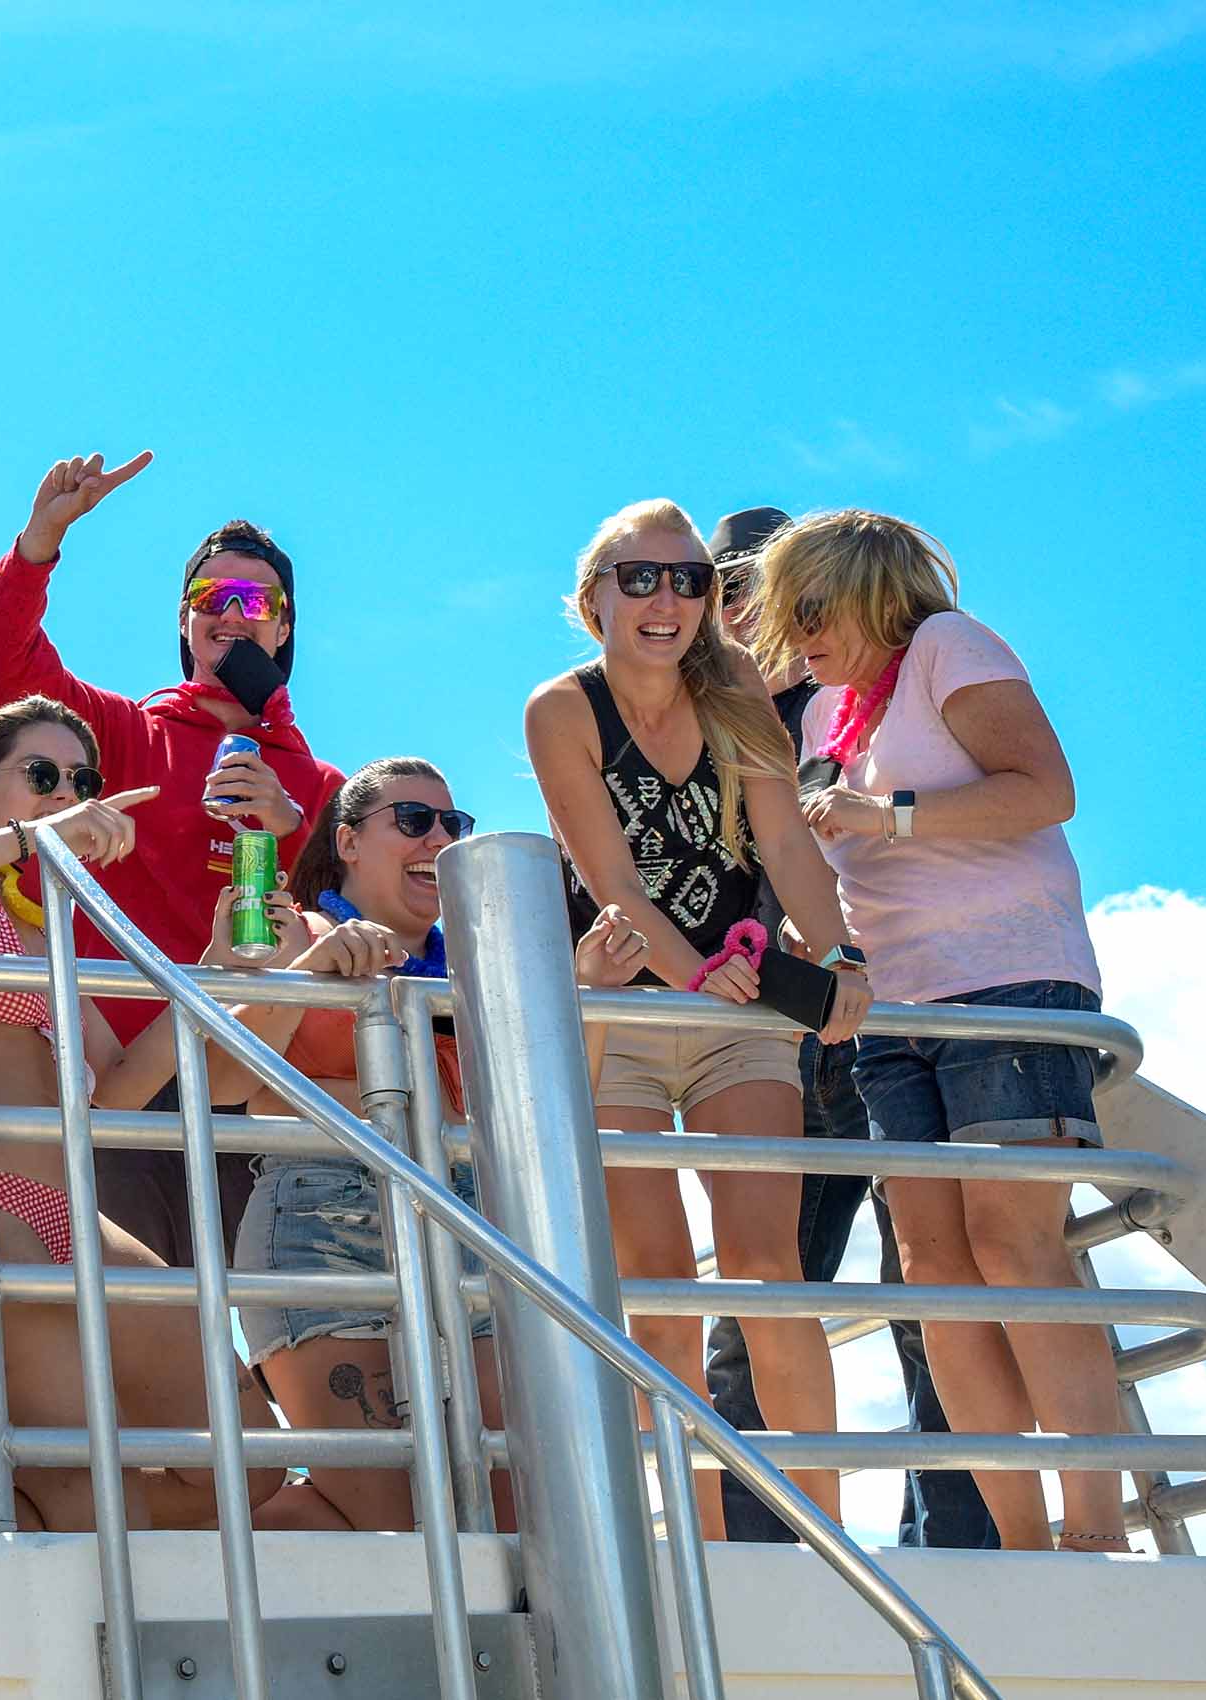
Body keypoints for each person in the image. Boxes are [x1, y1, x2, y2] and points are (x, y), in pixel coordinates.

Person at [749, 509, 1127, 1553]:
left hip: (1008, 981)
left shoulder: (950, 648)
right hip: (897, 1005)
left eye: (809, 607)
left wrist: (888, 815)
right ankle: (1025, 1544)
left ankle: (1096, 1528)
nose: (797, 632)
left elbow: (1045, 790)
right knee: (935, 1276)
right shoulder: (829, 710)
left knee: (1014, 1246)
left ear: (869, 589)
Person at [0, 696, 281, 1536]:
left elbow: (116, 1089)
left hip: (72, 1214)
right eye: (41, 776)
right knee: (72, 1500)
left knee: (247, 1472)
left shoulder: (45, 932)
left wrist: (211, 965)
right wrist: (30, 839)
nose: (68, 793)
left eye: (83, 780)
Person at [521, 498, 872, 1535]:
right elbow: (608, 873)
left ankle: (828, 1533)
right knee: (660, 1288)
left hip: (738, 1006)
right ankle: (704, 1545)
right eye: (641, 577)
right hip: (625, 1006)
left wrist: (840, 949)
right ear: (595, 599)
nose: (666, 597)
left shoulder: (744, 705)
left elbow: (791, 849)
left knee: (771, 1270)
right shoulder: (562, 708)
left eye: (689, 579)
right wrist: (692, 972)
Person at [0, 452, 347, 1267]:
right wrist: (38, 544)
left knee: (271, 1332)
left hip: (259, 1085)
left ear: (285, 626)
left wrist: (291, 824)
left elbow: (347, 919)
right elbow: (4, 678)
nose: (232, 615)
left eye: (256, 601)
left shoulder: (320, 784)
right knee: (139, 1334)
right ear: (184, 622)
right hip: (123, 1084)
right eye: (212, 598)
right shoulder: (124, 733)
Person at [704, 505, 997, 1549]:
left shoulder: (852, 705)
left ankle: (958, 1538)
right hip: (789, 1034)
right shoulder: (710, 720)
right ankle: (750, 1545)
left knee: (931, 1290)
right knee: (763, 1299)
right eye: (729, 588)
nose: (754, 613)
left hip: (890, 1018)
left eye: (778, 593)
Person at [220, 759, 515, 1533]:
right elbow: (232, 1083)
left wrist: (597, 992)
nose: (440, 839)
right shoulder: (287, 926)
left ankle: (194, 1559)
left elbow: (519, 1118)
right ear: (347, 841)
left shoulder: (482, 964)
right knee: (395, 1529)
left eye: (455, 825)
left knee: (509, 1520)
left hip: (469, 1229)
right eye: (414, 821)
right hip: (324, 1228)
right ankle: (185, 1569)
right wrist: (310, 975)